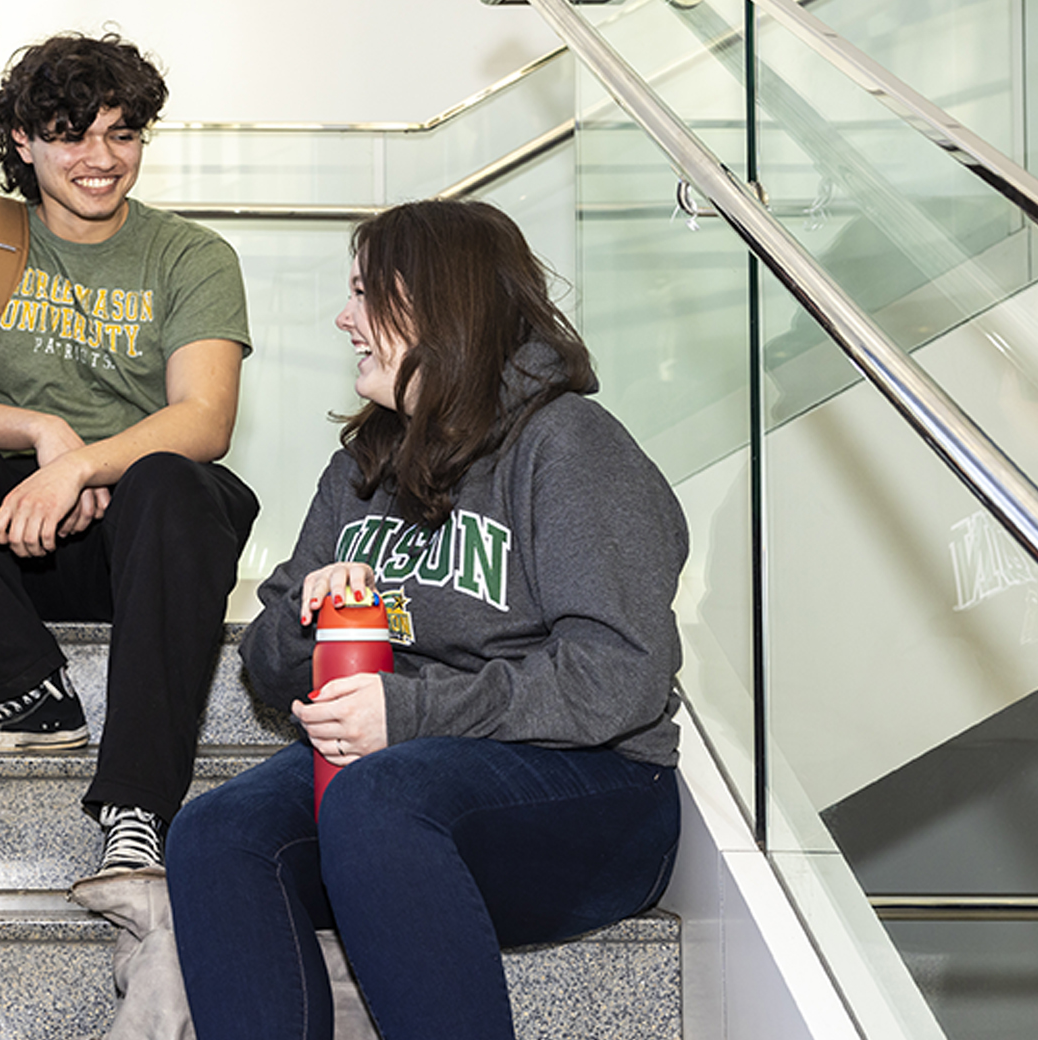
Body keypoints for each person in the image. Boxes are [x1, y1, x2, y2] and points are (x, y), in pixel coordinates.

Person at [165, 199, 687, 1039]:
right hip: (394, 783)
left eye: (365, 294)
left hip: (594, 793)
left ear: (437, 304)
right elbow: (265, 666)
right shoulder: (366, 464)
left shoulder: (569, 446)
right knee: (215, 832)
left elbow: (619, 675)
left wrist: (409, 713)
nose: (344, 319)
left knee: (381, 798)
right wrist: (316, 621)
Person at [0, 32, 258, 878]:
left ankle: (138, 808)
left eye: (123, 133)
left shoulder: (192, 256)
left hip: (142, 539)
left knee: (182, 485)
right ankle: (32, 687)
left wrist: (84, 465)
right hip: (10, 544)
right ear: (24, 142)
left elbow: (205, 416)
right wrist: (47, 435)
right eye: (73, 133)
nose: (101, 158)